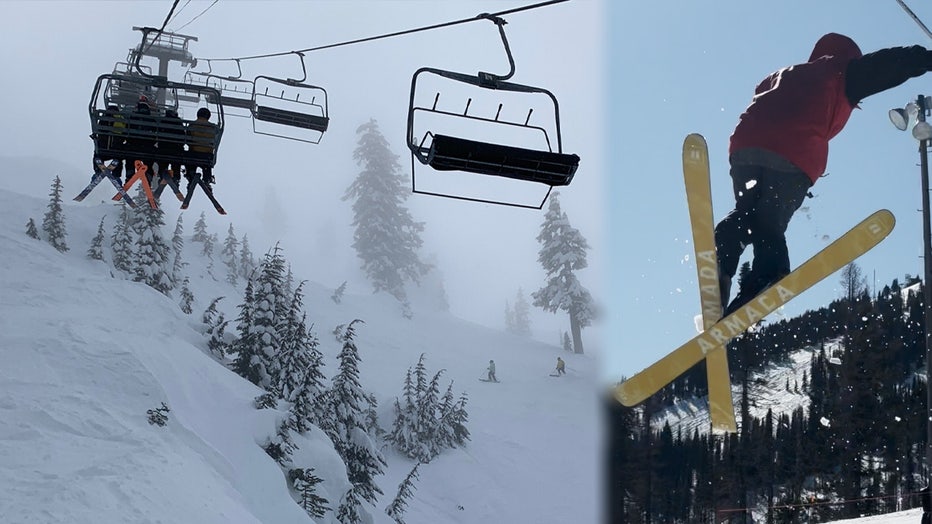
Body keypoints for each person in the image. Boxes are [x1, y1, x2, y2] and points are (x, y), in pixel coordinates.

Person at [715, 33, 932, 316]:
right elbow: (892, 64)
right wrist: (926, 58)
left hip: (745, 147)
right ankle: (767, 277)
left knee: (746, 213)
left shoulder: (782, 74)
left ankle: (722, 256)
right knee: (770, 223)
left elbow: (761, 99)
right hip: (794, 152)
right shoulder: (843, 72)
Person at [185, 107, 218, 186]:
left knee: (191, 161)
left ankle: (191, 176)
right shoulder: (213, 128)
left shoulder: (192, 125)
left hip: (193, 154)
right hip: (207, 156)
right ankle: (207, 179)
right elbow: (215, 142)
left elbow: (187, 140)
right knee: (206, 165)